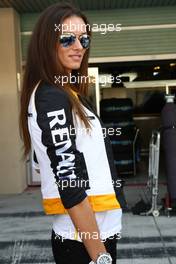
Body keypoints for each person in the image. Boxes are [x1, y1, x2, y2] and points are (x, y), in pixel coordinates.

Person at [20, 3, 122, 264]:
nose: (79, 46)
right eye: (67, 39)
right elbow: (68, 179)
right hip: (83, 242)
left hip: (92, 235)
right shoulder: (52, 96)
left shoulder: (67, 93)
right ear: (47, 42)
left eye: (84, 38)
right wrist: (99, 255)